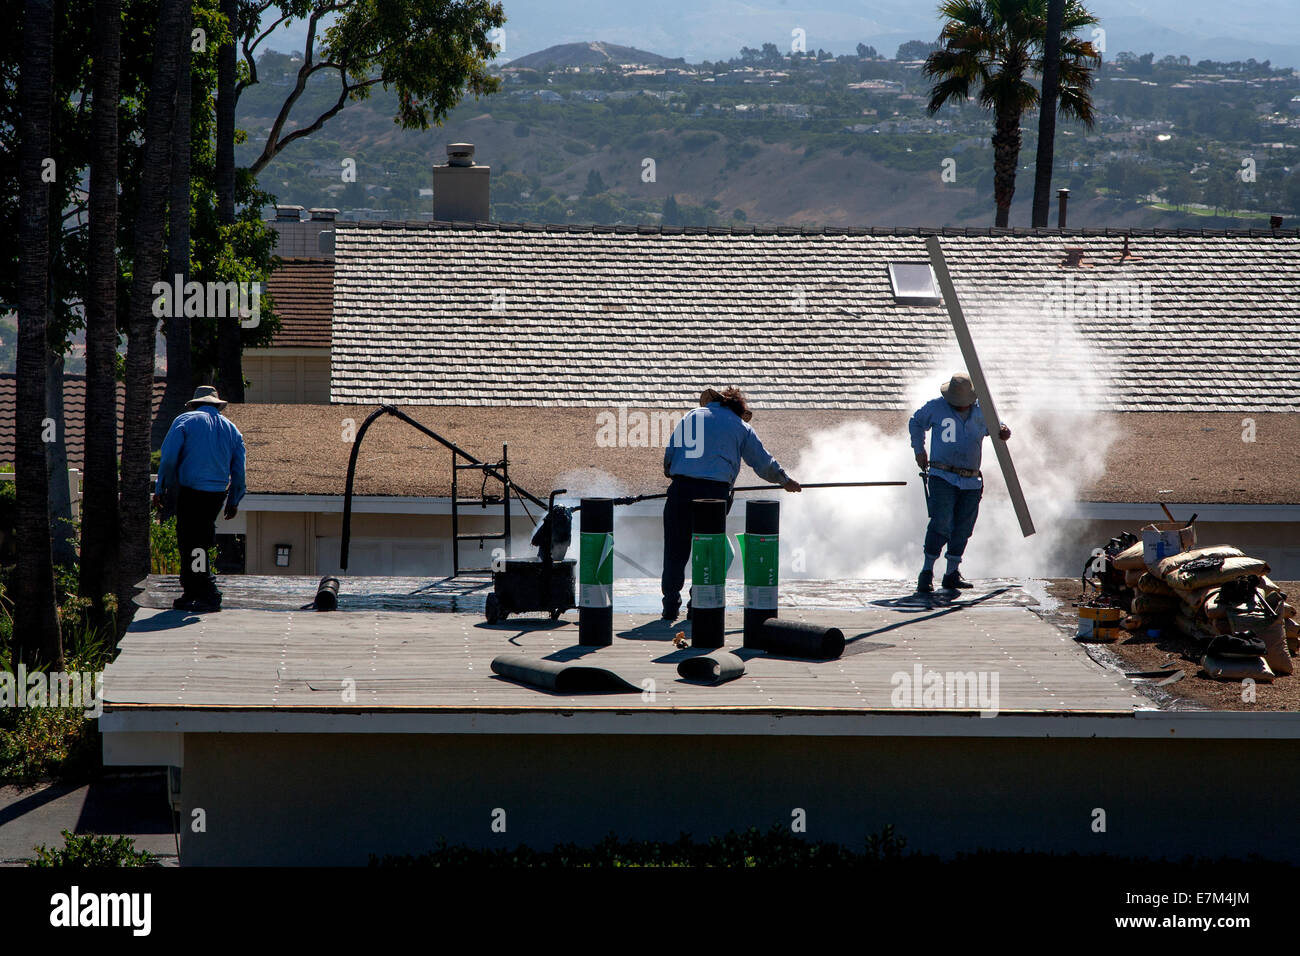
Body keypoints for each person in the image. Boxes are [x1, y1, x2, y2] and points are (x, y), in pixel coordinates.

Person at [660, 387, 800, 620]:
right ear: (738, 409)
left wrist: (671, 472)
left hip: (680, 490)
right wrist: (784, 480)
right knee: (707, 550)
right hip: (714, 495)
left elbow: (671, 452)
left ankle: (670, 604)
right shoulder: (740, 426)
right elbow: (762, 462)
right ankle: (699, 605)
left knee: (675, 549)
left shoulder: (692, 416)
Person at [908, 372, 1011, 593]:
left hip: (971, 480)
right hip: (942, 475)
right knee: (941, 522)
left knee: (964, 527)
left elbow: (999, 428)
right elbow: (916, 422)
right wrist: (919, 450)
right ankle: (927, 572)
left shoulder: (982, 414)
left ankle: (951, 573)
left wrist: (1004, 432)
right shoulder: (936, 407)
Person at [153, 386, 247, 612]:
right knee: (201, 538)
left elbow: (168, 459)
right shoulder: (231, 429)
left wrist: (161, 487)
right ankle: (199, 588)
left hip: (192, 490)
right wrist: (234, 499)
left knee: (189, 540)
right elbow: (239, 470)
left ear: (194, 404)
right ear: (216, 405)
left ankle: (202, 590)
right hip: (216, 494)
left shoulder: (184, 420)